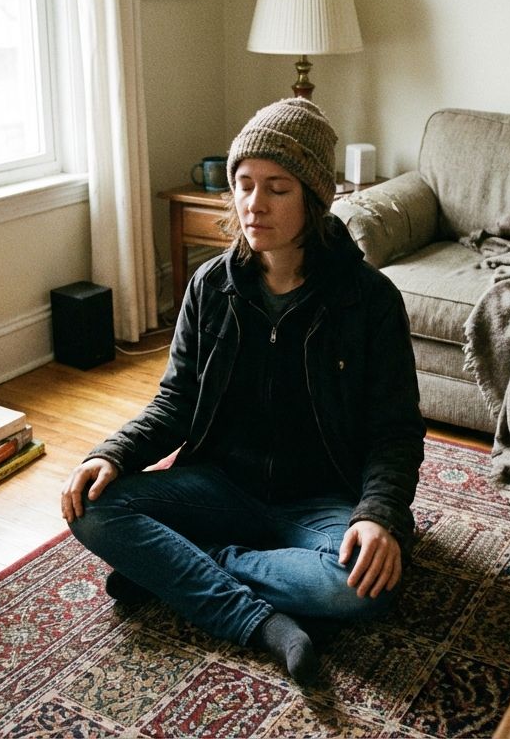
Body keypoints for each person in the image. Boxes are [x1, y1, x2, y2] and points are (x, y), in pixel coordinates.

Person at [60, 97, 425, 687]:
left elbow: (395, 432)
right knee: (91, 506)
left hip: (322, 498)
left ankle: (184, 564)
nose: (255, 205)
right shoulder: (210, 286)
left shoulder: (370, 299)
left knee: (360, 588)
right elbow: (176, 402)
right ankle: (264, 626)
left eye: (277, 188)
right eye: (245, 185)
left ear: (314, 195)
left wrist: (379, 515)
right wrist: (113, 452)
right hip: (223, 484)